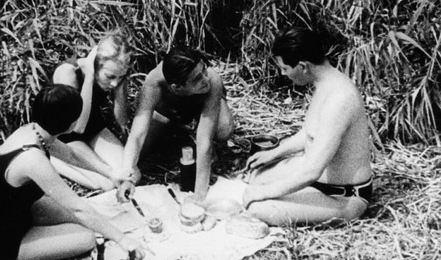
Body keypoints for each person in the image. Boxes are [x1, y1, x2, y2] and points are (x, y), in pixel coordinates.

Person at [0, 84, 145, 260]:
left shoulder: (34, 131)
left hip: (22, 211)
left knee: (94, 219)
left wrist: (112, 174)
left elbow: (71, 155)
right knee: (87, 236)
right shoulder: (32, 159)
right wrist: (123, 240)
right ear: (71, 124)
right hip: (3, 242)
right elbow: (77, 208)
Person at [243, 27, 373, 226]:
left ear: (303, 66)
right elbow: (309, 134)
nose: (283, 73)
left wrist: (264, 193)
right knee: (256, 176)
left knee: (258, 207)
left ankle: (327, 207)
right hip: (319, 178)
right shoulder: (324, 83)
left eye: (285, 68)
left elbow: (312, 171)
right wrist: (273, 154)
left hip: (344, 197)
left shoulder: (340, 98)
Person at [117, 47, 234, 202]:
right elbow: (137, 134)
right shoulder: (153, 82)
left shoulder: (212, 79)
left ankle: (187, 122)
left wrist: (199, 195)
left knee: (223, 129)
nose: (205, 79)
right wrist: (127, 175)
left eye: (204, 70)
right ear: (176, 87)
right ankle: (170, 124)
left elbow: (204, 141)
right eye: (197, 79)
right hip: (169, 109)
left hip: (201, 103)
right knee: (137, 150)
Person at [52, 32, 140, 191]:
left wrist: (121, 86)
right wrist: (89, 77)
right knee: (107, 183)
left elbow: (121, 120)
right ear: (96, 64)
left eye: (120, 77)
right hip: (65, 133)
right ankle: (52, 157)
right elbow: (78, 127)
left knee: (131, 174)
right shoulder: (67, 73)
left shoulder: (116, 79)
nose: (114, 83)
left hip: (93, 125)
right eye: (110, 76)